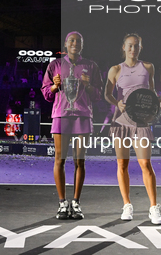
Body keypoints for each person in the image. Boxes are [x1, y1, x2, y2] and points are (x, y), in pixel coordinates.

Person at [41, 31, 102, 220]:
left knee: (79, 161)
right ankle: (62, 203)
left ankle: (75, 202)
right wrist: (54, 85)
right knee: (59, 159)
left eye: (79, 41)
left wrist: (89, 85)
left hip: (83, 116)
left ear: (82, 45)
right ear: (66, 44)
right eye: (72, 40)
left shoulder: (91, 66)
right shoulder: (55, 65)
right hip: (61, 115)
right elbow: (46, 93)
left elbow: (98, 95)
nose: (75, 43)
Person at [104, 33, 161, 225]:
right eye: (130, 46)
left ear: (140, 48)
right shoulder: (115, 70)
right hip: (121, 122)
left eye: (136, 46)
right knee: (122, 164)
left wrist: (159, 104)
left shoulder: (148, 67)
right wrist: (117, 103)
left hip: (141, 123)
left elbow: (152, 93)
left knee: (145, 164)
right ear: (123, 47)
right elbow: (107, 93)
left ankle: (154, 208)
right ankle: (127, 205)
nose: (133, 49)